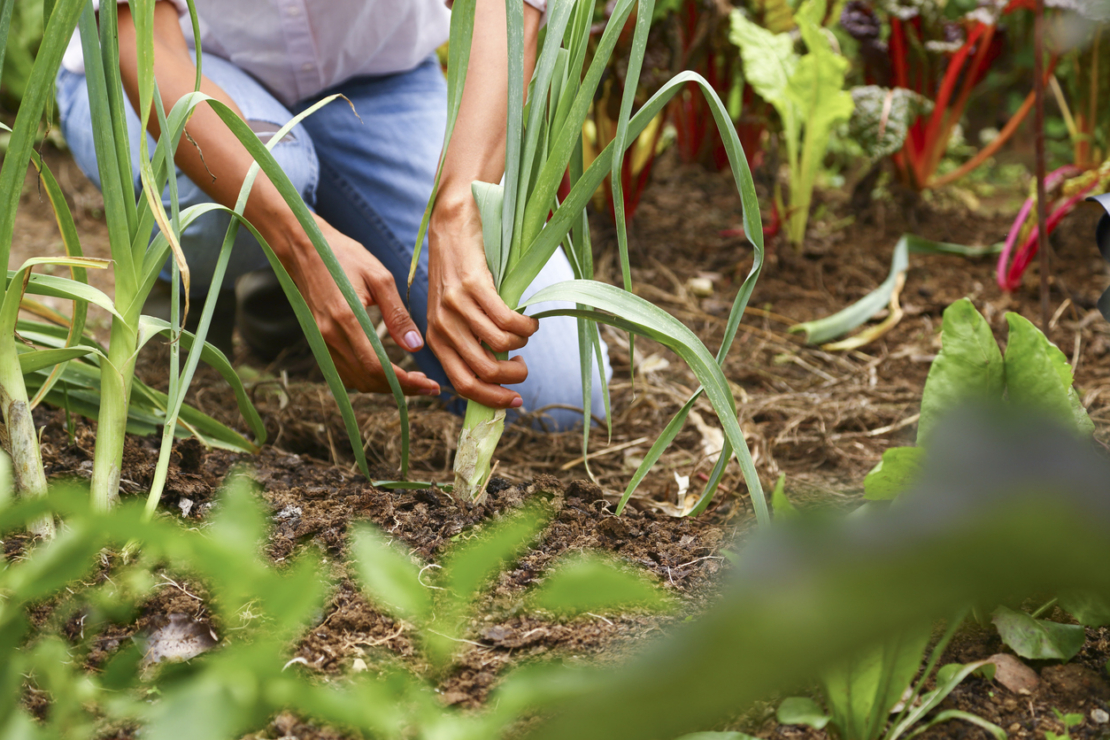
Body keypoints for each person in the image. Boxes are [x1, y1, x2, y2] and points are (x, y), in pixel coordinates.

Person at [56, 0, 610, 430]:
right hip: (173, 71)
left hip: (375, 81)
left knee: (562, 400)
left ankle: (280, 302)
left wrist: (459, 208)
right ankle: (186, 292)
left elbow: (511, 13)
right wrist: (302, 244)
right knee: (273, 178)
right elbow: (145, 47)